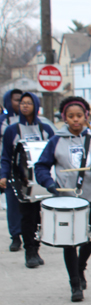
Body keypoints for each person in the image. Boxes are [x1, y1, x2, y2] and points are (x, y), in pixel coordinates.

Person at [35, 96, 91, 302]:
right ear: (64, 118)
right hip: (65, 199)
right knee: (69, 242)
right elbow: (40, 166)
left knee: (90, 238)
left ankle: (80, 267)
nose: (75, 120)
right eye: (71, 116)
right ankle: (75, 283)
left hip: (89, 197)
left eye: (79, 116)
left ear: (86, 117)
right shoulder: (56, 141)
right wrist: (49, 184)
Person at [0, 92, 54, 268]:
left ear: (36, 105)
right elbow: (6, 156)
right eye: (22, 103)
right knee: (26, 215)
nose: (24, 106)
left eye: (29, 103)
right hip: (21, 181)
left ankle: (36, 248)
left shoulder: (46, 129)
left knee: (38, 216)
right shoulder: (11, 130)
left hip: (41, 181)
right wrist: (3, 175)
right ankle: (29, 251)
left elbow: (55, 154)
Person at [0, 89, 23, 252]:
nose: (21, 103)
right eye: (16, 100)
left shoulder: (35, 122)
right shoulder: (3, 122)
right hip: (8, 168)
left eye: (23, 100)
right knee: (13, 204)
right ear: (9, 101)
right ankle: (15, 236)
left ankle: (32, 235)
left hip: (28, 171)